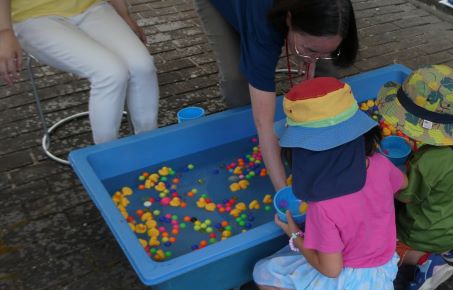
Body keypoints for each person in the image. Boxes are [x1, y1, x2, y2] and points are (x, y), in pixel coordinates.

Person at [253, 77, 408, 290]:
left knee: (262, 273)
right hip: (382, 276)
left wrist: (294, 234)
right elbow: (403, 184)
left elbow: (331, 270)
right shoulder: (380, 164)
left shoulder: (322, 206)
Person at [192, 0, 359, 191]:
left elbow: (318, 54)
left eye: (328, 50)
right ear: (289, 19)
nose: (314, 57)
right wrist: (284, 194)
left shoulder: (335, 9)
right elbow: (264, 123)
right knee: (237, 86)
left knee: (326, 74)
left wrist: (312, 60)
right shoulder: (263, 20)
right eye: (311, 49)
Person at [376, 64, 453, 290]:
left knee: (385, 244)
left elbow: (404, 195)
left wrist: (393, 172)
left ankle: (428, 263)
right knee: (448, 208)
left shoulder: (427, 162)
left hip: (425, 231)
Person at [0, 0, 158, 144]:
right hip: (33, 18)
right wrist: (5, 31)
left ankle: (149, 143)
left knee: (142, 66)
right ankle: (107, 156)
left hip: (92, 7)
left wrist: (124, 14)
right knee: (110, 73)